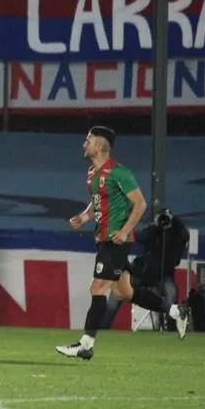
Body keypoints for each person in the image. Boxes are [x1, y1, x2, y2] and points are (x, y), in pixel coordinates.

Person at [56, 127, 160, 361]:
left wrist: (124, 231)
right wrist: (83, 218)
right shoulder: (92, 172)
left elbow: (140, 204)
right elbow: (97, 203)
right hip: (102, 239)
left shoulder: (120, 172)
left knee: (98, 287)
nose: (84, 144)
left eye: (88, 140)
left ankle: (86, 344)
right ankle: (176, 311)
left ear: (101, 146)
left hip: (116, 240)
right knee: (124, 292)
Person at [102, 208, 191, 336]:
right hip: (140, 271)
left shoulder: (177, 234)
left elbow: (184, 238)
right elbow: (141, 237)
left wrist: (175, 222)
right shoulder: (153, 231)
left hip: (163, 275)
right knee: (117, 292)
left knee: (171, 293)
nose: (164, 221)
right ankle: (103, 327)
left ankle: (172, 330)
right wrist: (155, 227)